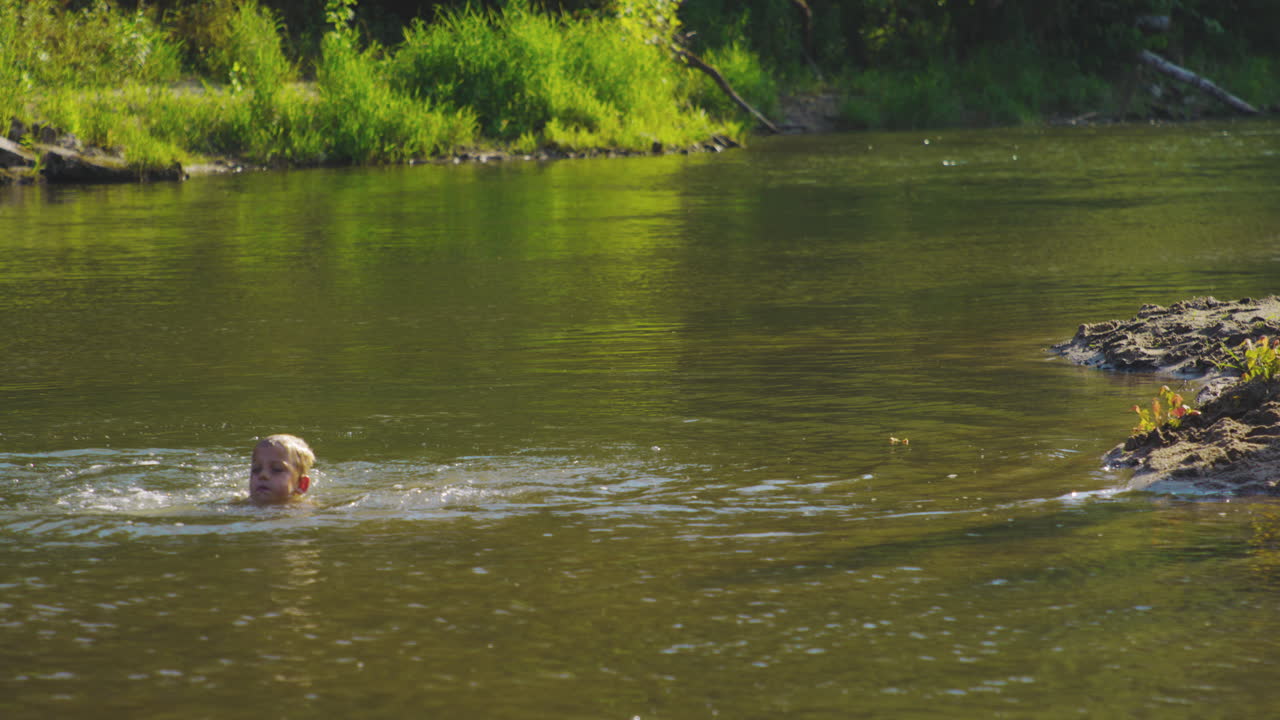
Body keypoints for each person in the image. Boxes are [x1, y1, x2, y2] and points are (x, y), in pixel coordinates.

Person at [249, 434, 315, 504]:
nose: (263, 475)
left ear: (301, 485)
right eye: (256, 469)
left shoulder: (306, 510)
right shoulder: (241, 504)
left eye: (276, 469)